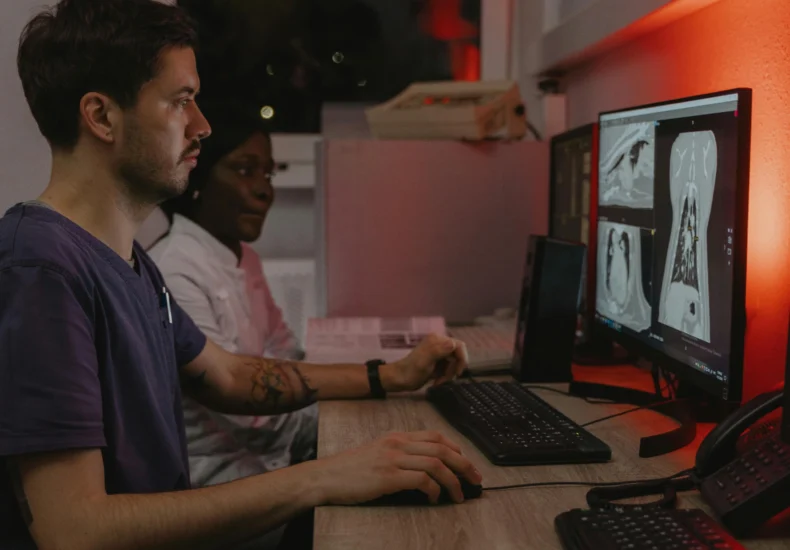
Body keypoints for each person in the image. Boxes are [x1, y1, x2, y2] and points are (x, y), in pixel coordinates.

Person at [0, 2, 481, 550]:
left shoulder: (130, 261)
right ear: (102, 117)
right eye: (181, 102)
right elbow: (74, 530)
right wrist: (323, 476)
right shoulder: (40, 269)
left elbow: (228, 376)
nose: (202, 126)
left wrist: (389, 376)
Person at [149, 101, 317, 501]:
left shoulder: (244, 257)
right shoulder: (175, 268)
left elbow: (284, 349)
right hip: (219, 486)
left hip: (270, 460)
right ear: (200, 177)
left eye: (268, 173)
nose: (264, 188)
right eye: (245, 170)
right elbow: (246, 409)